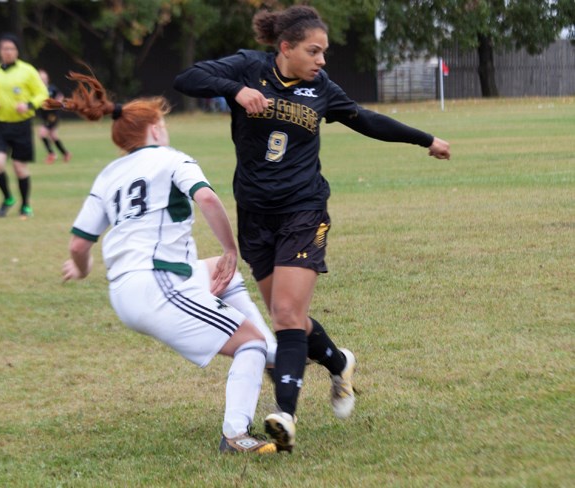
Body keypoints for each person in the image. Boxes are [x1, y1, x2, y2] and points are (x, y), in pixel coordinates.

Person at [174, 5, 451, 452]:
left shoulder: (321, 88)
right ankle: (339, 363)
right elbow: (187, 79)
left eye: (324, 52)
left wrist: (425, 140)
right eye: (314, 51)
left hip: (304, 211)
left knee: (284, 316)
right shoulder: (250, 65)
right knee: (292, 321)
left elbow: (366, 120)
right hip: (256, 216)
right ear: (285, 48)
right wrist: (237, 90)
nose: (322, 61)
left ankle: (285, 415)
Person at [50, 72, 278, 454]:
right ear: (154, 129)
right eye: (164, 123)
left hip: (126, 291)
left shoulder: (108, 175)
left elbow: (78, 244)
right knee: (248, 343)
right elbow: (206, 198)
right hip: (159, 286)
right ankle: (236, 434)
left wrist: (83, 267)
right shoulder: (171, 159)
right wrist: (228, 247)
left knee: (225, 275)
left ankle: (274, 357)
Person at [0, 33, 49, 219]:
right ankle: (8, 198)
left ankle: (25, 205)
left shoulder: (27, 70)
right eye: (4, 48)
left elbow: (42, 94)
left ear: (17, 51)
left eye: (11, 48)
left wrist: (28, 105)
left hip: (21, 125)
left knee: (20, 168)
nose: (8, 52)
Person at [36, 69, 71, 164]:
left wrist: (56, 104)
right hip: (44, 116)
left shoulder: (51, 88)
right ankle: (66, 153)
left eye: (44, 78)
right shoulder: (36, 90)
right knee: (53, 136)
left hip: (53, 115)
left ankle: (51, 154)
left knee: (42, 133)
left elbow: (60, 97)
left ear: (47, 79)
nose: (43, 80)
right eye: (40, 78)